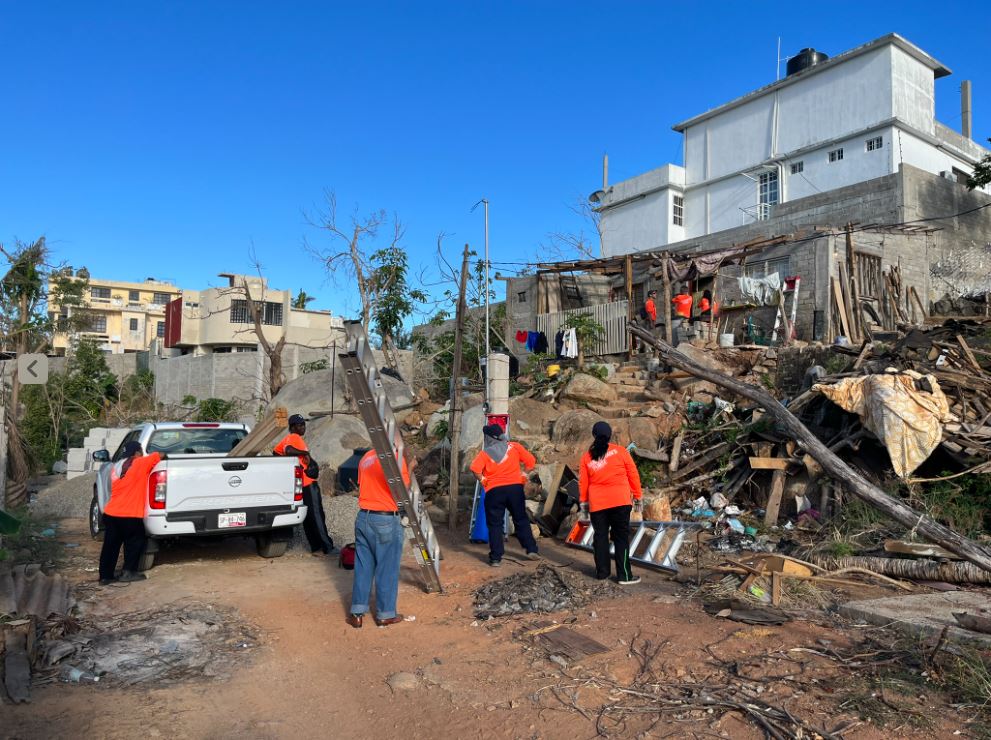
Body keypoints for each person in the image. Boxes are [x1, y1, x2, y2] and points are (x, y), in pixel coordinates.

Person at [347, 447, 412, 629]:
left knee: (363, 567)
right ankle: (385, 614)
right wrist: (411, 467)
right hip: (385, 518)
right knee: (387, 568)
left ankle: (357, 613)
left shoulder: (366, 457)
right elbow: (403, 489)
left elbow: (366, 485)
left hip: (363, 517)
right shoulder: (395, 457)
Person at [578, 421, 643, 585]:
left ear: (593, 435)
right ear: (609, 436)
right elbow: (633, 475)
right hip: (620, 501)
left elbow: (583, 484)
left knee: (600, 538)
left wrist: (584, 504)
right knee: (621, 538)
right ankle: (624, 576)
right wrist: (638, 496)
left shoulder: (586, 457)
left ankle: (602, 573)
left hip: (597, 504)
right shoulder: (620, 451)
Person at [470, 424, 540, 567]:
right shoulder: (514, 447)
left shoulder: (485, 453)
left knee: (495, 524)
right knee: (521, 519)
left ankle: (496, 558)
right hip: (515, 489)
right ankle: (531, 549)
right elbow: (531, 462)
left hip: (494, 491)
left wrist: (484, 481)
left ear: (489, 438)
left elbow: (474, 468)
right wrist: (523, 476)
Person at [98, 441, 162, 585]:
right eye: (140, 451)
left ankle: (105, 576)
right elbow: (160, 455)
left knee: (110, 546)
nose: (142, 454)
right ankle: (128, 572)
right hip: (130, 514)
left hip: (111, 513)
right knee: (135, 542)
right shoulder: (140, 463)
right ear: (136, 453)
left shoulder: (116, 467)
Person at [273, 414, 335, 555]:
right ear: (293, 427)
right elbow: (288, 451)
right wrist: (304, 452)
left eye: (303, 424)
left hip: (301, 484)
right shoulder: (294, 438)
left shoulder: (288, 439)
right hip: (308, 484)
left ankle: (316, 547)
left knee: (309, 518)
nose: (303, 427)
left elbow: (276, 452)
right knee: (317, 516)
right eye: (300, 425)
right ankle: (327, 547)